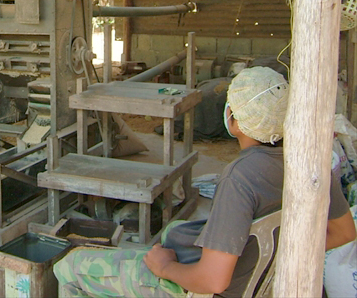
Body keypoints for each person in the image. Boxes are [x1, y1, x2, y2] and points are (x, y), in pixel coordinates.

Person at [54, 67, 356, 298]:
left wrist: (166, 268)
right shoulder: (311, 162)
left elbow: (214, 280)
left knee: (68, 266)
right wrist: (280, 250)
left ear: (234, 121)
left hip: (203, 288)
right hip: (252, 277)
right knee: (154, 243)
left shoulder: (241, 177)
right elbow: (344, 232)